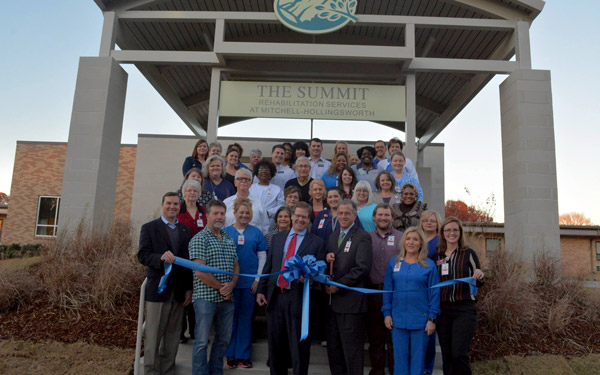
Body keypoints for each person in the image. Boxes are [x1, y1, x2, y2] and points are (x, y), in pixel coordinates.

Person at [257, 202, 326, 375]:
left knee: (299, 347)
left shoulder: (317, 242)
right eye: (297, 215)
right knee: (275, 345)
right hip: (275, 298)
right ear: (292, 216)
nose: (300, 219)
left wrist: (308, 280)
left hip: (298, 299)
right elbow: (269, 266)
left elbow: (319, 276)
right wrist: (261, 290)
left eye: (304, 217)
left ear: (309, 219)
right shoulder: (278, 238)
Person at [138, 192, 193, 375]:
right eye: (169, 203)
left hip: (178, 293)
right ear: (162, 205)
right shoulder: (149, 228)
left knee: (172, 337)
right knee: (153, 336)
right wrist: (159, 258)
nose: (172, 207)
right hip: (157, 292)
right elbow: (143, 255)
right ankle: (151, 371)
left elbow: (187, 264)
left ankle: (168, 371)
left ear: (180, 206)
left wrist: (188, 289)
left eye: (176, 204)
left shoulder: (186, 231)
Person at [189, 199, 239, 375]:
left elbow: (236, 266)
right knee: (202, 341)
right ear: (207, 215)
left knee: (223, 340)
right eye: (216, 213)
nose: (219, 217)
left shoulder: (228, 238)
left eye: (222, 214)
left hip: (227, 299)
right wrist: (221, 287)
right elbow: (200, 271)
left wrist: (231, 285)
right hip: (206, 298)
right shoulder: (199, 239)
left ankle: (216, 372)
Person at [382, 227, 440, 375]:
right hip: (398, 320)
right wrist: (387, 313)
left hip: (421, 321)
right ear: (403, 242)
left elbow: (434, 293)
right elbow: (387, 289)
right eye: (408, 239)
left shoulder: (428, 265)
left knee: (418, 362)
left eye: (415, 239)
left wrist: (432, 319)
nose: (411, 242)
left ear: (421, 243)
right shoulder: (393, 263)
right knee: (399, 361)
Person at [325, 200, 372, 375]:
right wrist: (327, 258)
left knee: (352, 352)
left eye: (347, 213)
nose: (343, 216)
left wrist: (339, 286)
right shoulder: (333, 236)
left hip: (351, 304)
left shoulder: (362, 236)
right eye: (340, 213)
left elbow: (362, 268)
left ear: (354, 215)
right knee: (334, 351)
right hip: (332, 304)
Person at [434, 217, 485, 375]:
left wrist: (480, 275)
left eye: (455, 230)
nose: (452, 233)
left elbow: (479, 281)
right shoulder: (437, 257)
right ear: (442, 233)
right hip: (443, 310)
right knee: (447, 355)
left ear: (460, 233)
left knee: (459, 354)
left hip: (464, 309)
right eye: (448, 230)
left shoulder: (468, 253)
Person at [224, 198, 268, 369]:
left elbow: (262, 256)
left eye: (247, 213)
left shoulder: (256, 233)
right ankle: (230, 354)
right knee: (230, 319)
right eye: (241, 212)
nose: (244, 215)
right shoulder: (226, 232)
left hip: (250, 284)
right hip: (231, 284)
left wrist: (258, 279)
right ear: (234, 213)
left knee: (246, 319)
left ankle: (243, 355)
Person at [366, 203, 402, 375]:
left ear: (392, 218)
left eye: (387, 215)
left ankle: (395, 371)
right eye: (380, 215)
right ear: (374, 218)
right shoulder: (366, 238)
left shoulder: (402, 238)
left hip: (395, 295)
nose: (383, 218)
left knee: (394, 338)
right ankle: (378, 371)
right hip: (372, 294)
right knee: (375, 338)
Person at [177, 179, 206, 344]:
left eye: (195, 191)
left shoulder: (203, 212)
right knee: (183, 295)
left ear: (199, 194)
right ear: (183, 193)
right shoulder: (179, 211)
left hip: (199, 259)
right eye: (188, 191)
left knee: (197, 295)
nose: (192, 193)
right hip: (182, 258)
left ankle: (195, 331)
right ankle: (180, 332)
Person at [419, 210, 444, 375]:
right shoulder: (417, 239)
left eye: (432, 221)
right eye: (426, 220)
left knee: (429, 331)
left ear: (437, 224)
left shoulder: (440, 242)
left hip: (434, 288)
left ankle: (427, 369)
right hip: (417, 289)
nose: (429, 223)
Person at [224, 169, 270, 235]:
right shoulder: (226, 203)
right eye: (240, 178)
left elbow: (265, 227)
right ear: (235, 182)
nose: (243, 181)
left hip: (253, 242)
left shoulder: (259, 203)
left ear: (251, 183)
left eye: (247, 179)